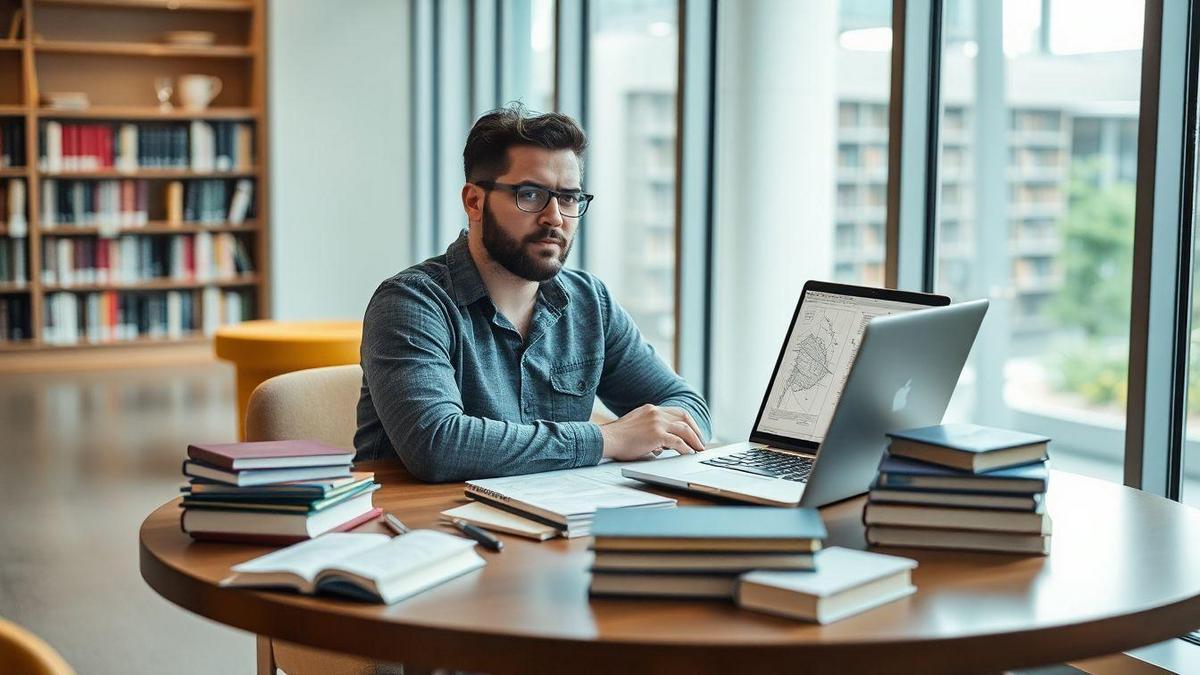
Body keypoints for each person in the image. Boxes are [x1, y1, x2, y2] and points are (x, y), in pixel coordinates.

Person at [354, 104, 711, 481]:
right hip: (426, 528)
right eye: (530, 194)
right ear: (474, 202)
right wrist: (606, 439)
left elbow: (690, 410)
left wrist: (647, 432)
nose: (555, 217)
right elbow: (438, 445)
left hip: (551, 524)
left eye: (570, 198)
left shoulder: (590, 303)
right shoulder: (410, 303)